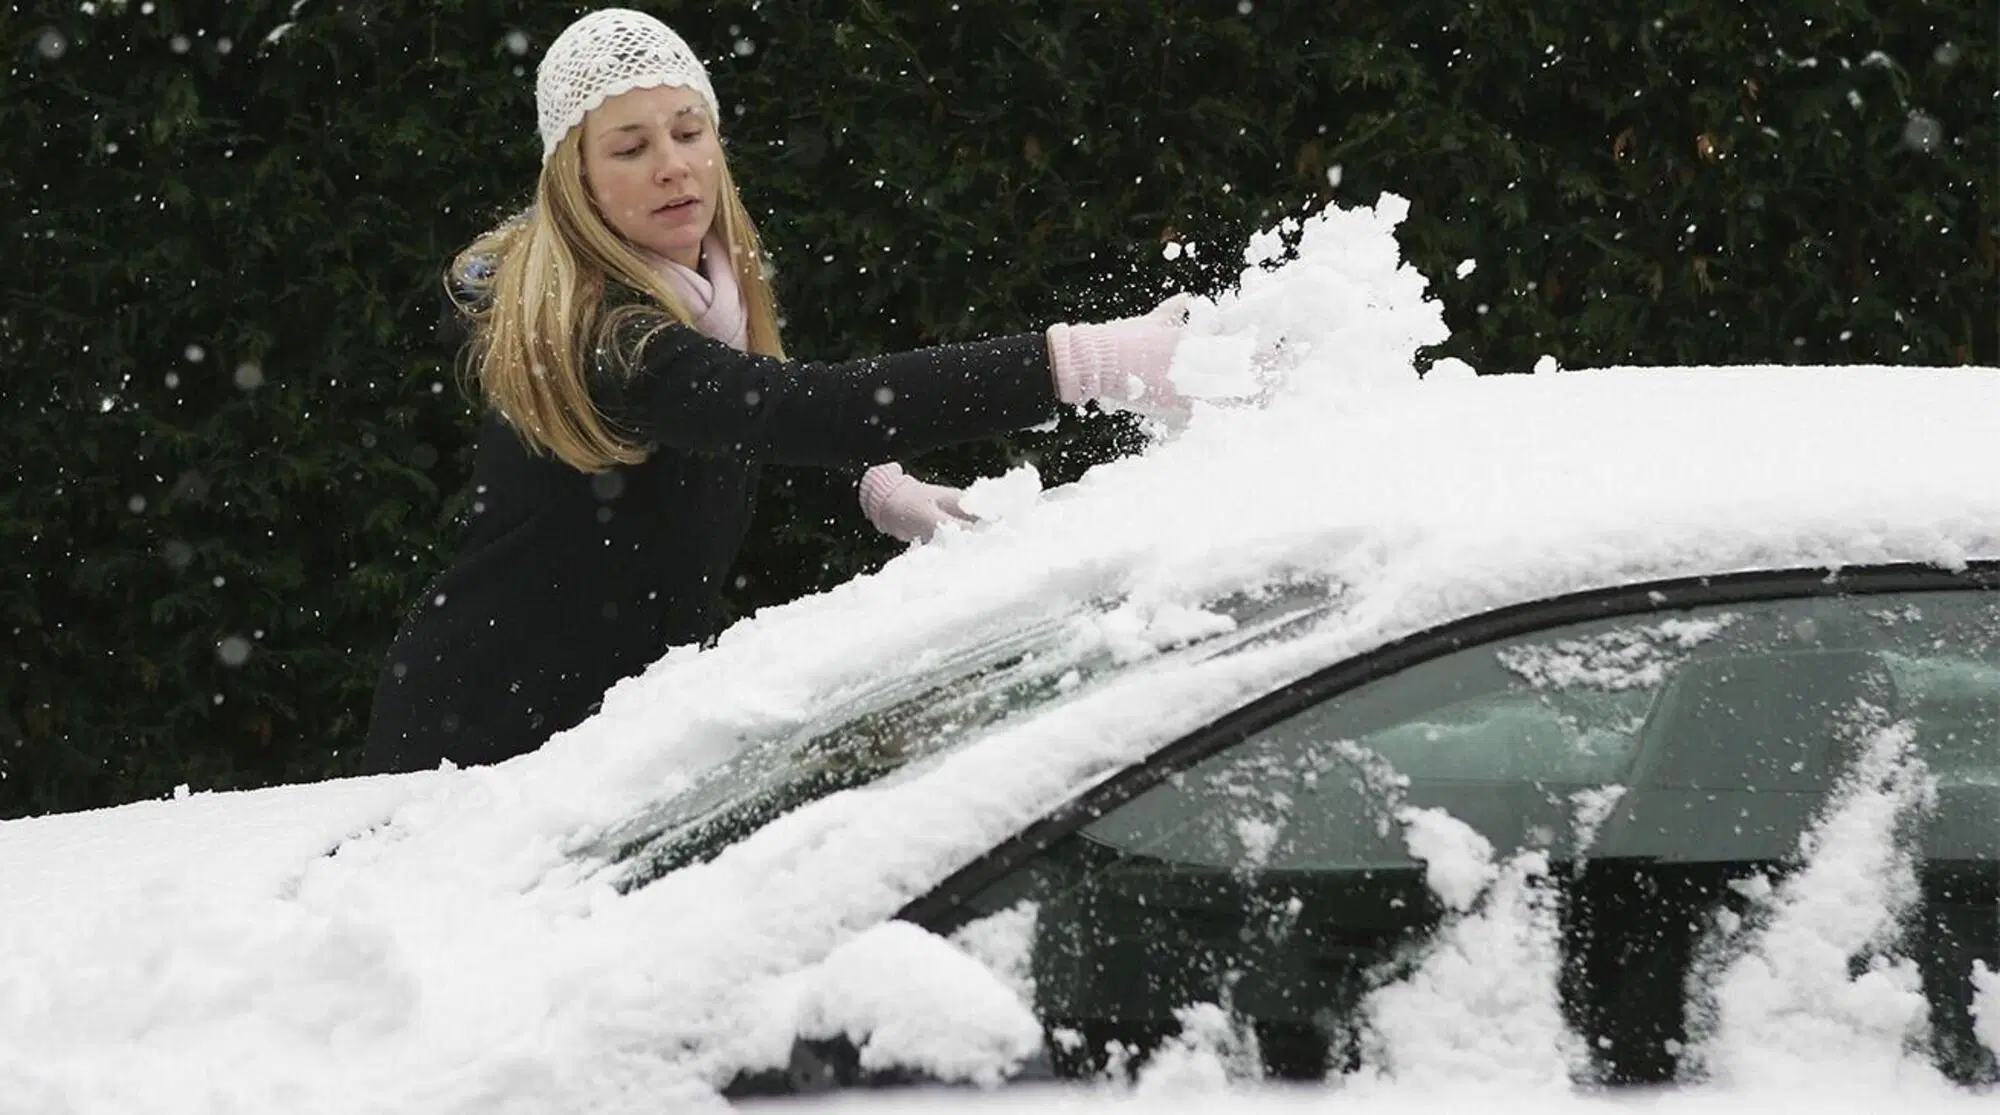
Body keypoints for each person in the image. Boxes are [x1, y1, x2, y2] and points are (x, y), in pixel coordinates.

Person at [362, 8, 1187, 775]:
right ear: (574, 180)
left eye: (690, 131)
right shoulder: (603, 335)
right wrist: (1083, 362)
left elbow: (742, 415)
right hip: (480, 735)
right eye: (630, 147)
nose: (673, 164)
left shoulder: (701, 291)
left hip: (608, 711)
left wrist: (873, 484)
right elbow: (804, 410)